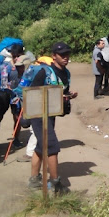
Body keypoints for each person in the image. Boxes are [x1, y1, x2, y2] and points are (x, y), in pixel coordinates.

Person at [28, 42, 77, 195]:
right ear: (54, 56)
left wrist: (68, 96)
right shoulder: (45, 72)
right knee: (52, 146)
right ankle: (56, 184)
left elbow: (63, 91)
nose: (66, 58)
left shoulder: (66, 73)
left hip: (51, 114)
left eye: (67, 54)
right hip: (39, 114)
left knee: (40, 147)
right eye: (62, 55)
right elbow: (32, 93)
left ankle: (34, 180)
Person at [0, 43, 25, 150]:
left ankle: (16, 139)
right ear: (12, 55)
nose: (17, 58)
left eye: (19, 56)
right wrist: (14, 91)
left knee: (17, 118)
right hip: (5, 94)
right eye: (15, 56)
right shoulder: (6, 67)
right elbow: (4, 84)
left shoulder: (25, 67)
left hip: (17, 95)